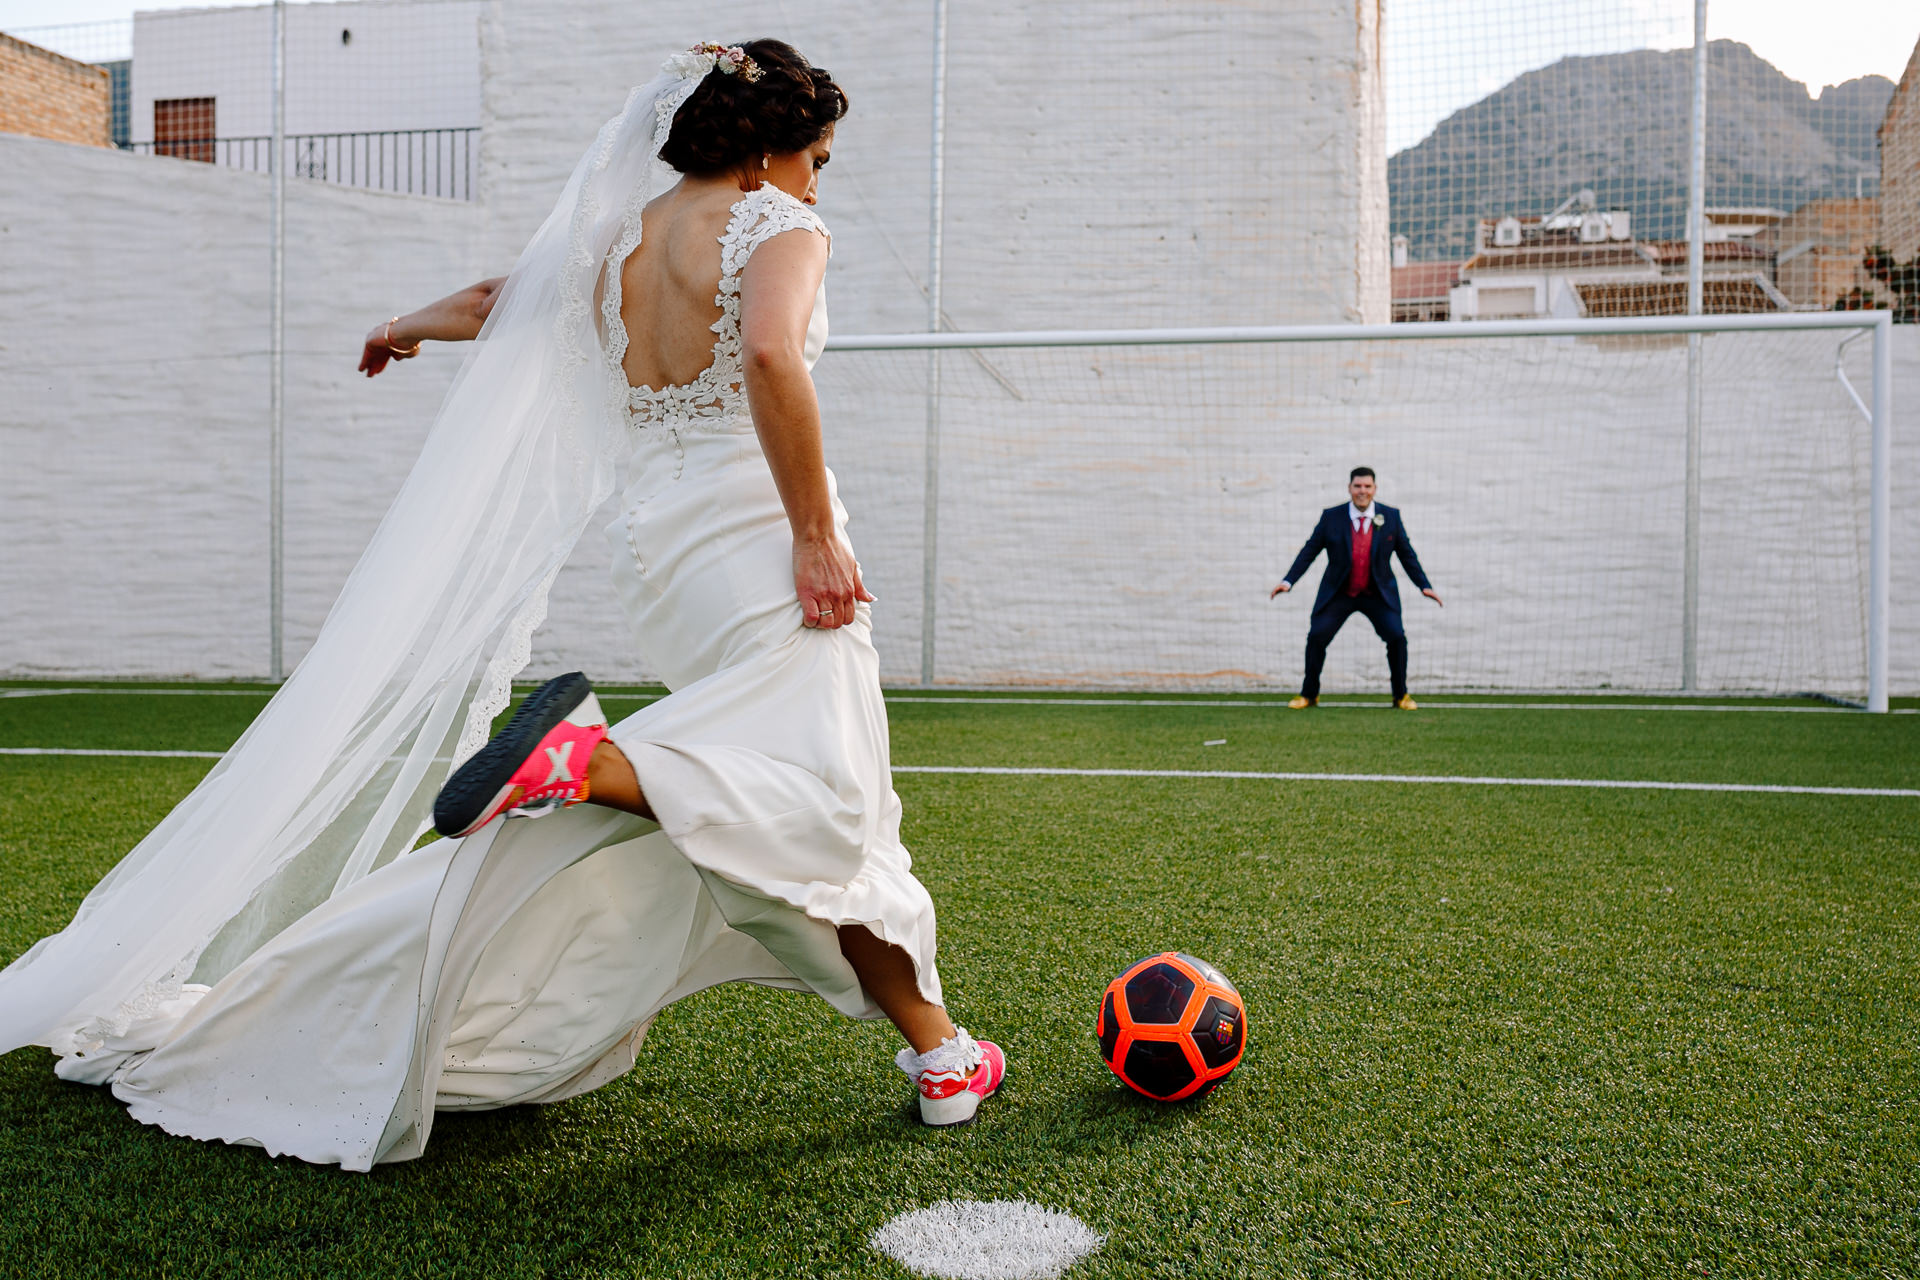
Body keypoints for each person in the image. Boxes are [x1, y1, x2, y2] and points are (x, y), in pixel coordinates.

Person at [0, 40, 1000, 1172]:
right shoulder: (779, 224)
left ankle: (941, 1048)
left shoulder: (617, 236)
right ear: (768, 148)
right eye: (815, 157)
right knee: (827, 805)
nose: (817, 183)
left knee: (794, 821)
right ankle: (594, 763)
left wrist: (401, 325)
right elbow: (771, 352)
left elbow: (494, 301)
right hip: (754, 538)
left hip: (656, 549)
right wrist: (816, 535)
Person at [1270, 467, 1440, 709]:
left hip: (1377, 593)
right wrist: (1288, 582)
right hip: (1340, 592)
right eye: (1358, 486)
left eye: (1367, 486)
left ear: (1375, 489)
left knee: (1397, 637)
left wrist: (1424, 585)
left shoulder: (1390, 516)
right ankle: (1309, 694)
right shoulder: (1332, 517)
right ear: (1349, 488)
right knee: (1317, 636)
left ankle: (1400, 695)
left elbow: (1406, 554)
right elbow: (1310, 550)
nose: (1362, 491)